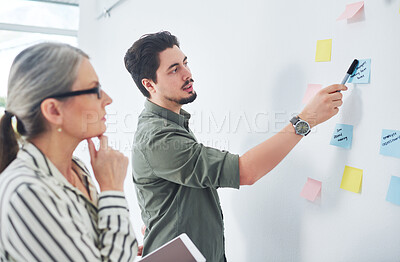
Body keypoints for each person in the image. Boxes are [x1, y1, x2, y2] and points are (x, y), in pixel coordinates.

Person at [124, 31, 347, 261]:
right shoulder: (158, 137)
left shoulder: (171, 123)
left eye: (185, 63)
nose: (188, 74)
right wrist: (306, 119)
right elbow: (245, 171)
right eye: (174, 69)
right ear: (150, 84)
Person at [0, 43, 138, 261]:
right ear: (54, 110)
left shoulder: (77, 169)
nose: (108, 100)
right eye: (95, 91)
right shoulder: (27, 192)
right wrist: (113, 191)